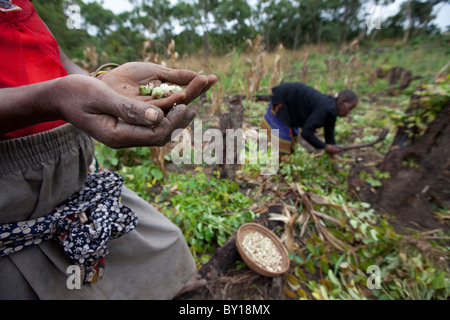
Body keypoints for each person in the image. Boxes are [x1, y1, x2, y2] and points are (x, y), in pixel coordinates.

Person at [0, 0, 217, 299]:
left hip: (77, 178)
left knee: (168, 246)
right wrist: (50, 100)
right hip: (13, 199)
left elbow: (59, 64)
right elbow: (59, 90)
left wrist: (102, 82)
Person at [261, 82, 358, 155]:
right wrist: (326, 147)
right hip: (284, 98)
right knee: (283, 135)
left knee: (291, 141)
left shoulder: (332, 111)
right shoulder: (326, 109)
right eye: (349, 108)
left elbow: (329, 134)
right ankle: (273, 164)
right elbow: (306, 133)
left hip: (293, 105)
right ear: (342, 101)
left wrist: (332, 153)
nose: (348, 113)